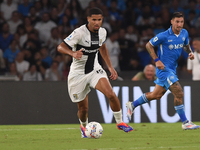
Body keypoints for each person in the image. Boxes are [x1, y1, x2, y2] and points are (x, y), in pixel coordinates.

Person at [57, 7, 133, 138]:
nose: (97, 22)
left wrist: (110, 67)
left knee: (111, 94)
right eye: (94, 20)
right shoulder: (79, 33)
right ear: (88, 19)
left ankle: (120, 122)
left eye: (99, 20)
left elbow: (103, 48)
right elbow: (60, 47)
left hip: (94, 70)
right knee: (83, 109)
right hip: (78, 74)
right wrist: (72, 53)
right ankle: (83, 126)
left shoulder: (103, 32)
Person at [126, 12, 200, 130]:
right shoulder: (164, 35)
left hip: (172, 69)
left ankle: (132, 105)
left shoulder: (184, 33)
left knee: (156, 95)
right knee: (179, 93)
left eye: (181, 22)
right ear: (171, 21)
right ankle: (185, 122)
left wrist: (189, 53)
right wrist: (156, 60)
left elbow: (186, 45)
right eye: (177, 21)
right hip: (164, 70)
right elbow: (148, 45)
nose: (179, 24)